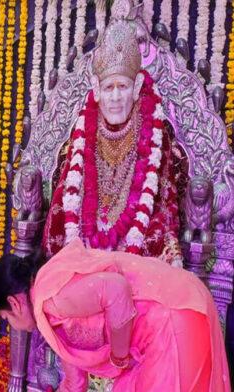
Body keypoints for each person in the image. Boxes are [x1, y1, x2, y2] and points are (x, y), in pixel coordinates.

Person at [0, 239, 230, 392]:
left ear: (14, 304)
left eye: (7, 320)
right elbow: (74, 385)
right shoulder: (51, 312)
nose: (13, 326)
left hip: (173, 318)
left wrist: (119, 357)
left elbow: (115, 290)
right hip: (175, 313)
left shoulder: (51, 298)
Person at [42, 7, 182, 265]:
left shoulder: (155, 134)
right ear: (96, 89)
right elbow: (63, 208)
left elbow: (162, 214)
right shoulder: (83, 131)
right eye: (109, 87)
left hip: (136, 260)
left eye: (123, 86)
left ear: (137, 86)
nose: (116, 97)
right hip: (83, 254)